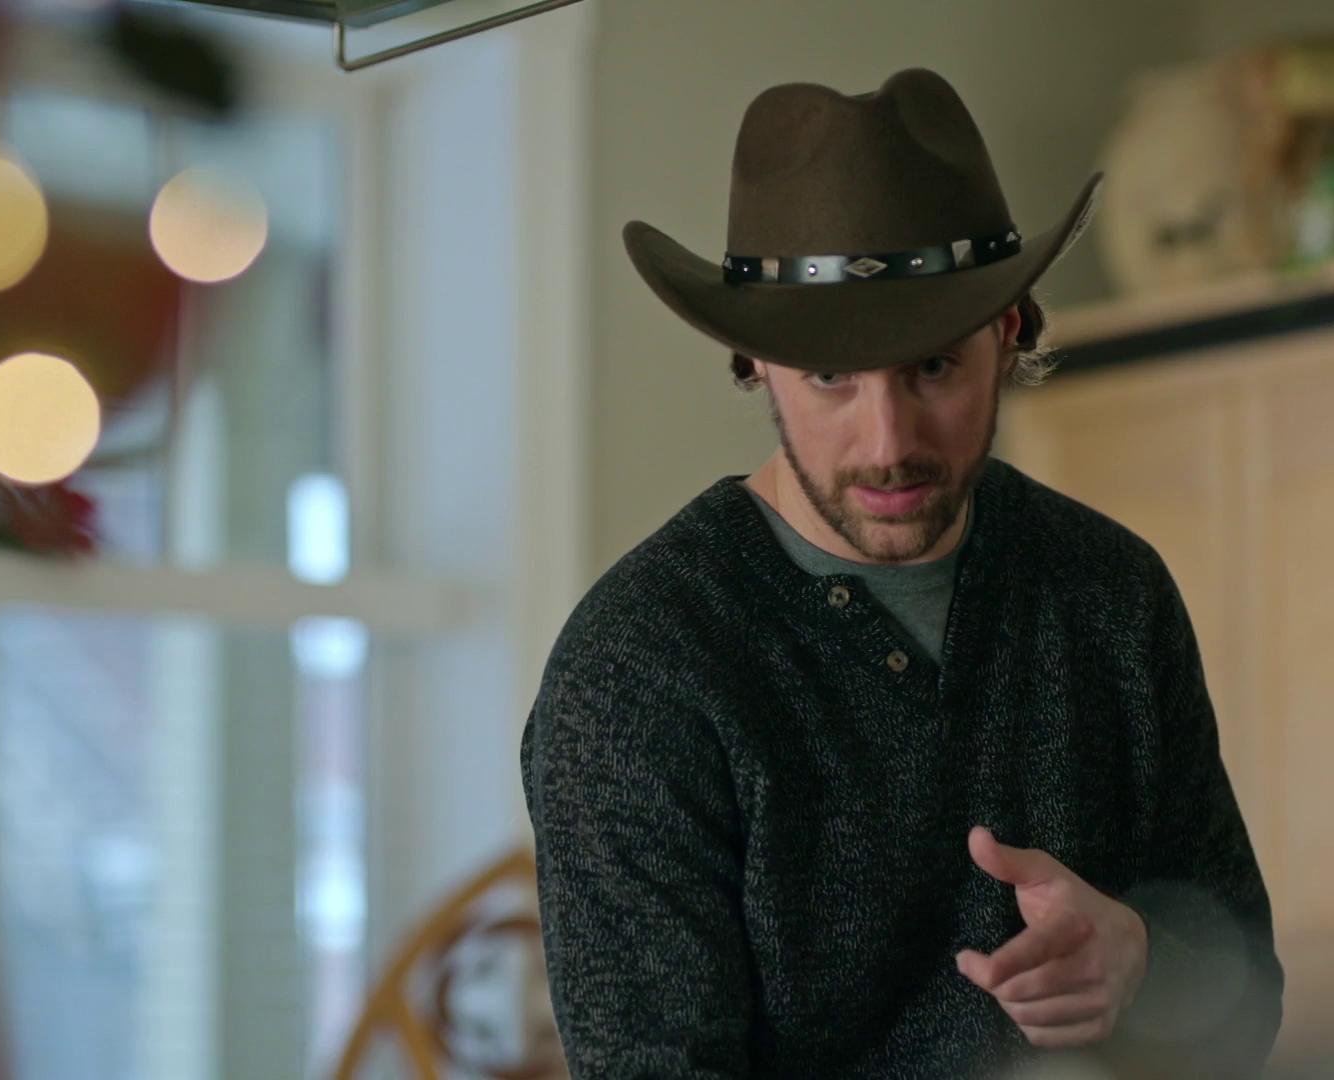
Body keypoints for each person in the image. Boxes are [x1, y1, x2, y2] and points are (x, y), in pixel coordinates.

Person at [519, 67, 1283, 1078]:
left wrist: (1141, 959)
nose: (889, 444)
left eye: (933, 367)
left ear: (1008, 334)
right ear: (753, 359)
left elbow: (1249, 999)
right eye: (833, 377)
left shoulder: (1109, 592)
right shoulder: (638, 669)